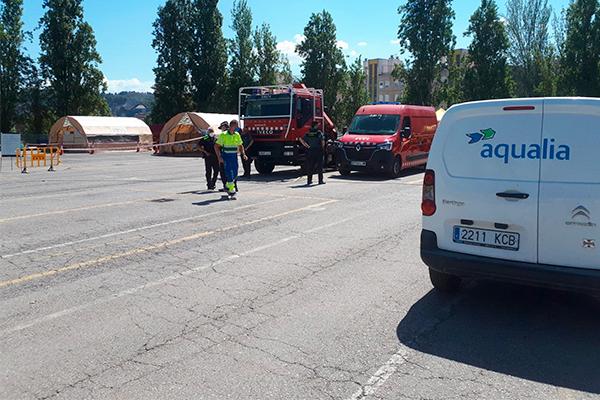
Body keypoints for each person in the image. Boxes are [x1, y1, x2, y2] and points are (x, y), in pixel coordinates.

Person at [215, 120, 248, 197]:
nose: (237, 128)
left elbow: (240, 145)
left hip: (234, 156)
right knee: (229, 172)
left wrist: (243, 154)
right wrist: (219, 157)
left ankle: (227, 185)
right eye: (236, 126)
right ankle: (231, 189)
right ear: (232, 126)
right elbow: (216, 146)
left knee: (235, 172)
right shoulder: (224, 135)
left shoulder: (237, 134)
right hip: (226, 156)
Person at [299, 121, 326, 186]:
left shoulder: (308, 133)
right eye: (317, 125)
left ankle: (309, 181)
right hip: (318, 150)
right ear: (315, 126)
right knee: (319, 166)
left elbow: (301, 139)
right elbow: (322, 141)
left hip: (310, 151)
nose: (318, 126)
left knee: (310, 166)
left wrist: (307, 146)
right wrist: (322, 148)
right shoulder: (318, 133)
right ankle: (320, 180)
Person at [217, 121, 229, 192]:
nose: (221, 129)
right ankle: (228, 186)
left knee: (224, 172)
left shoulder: (224, 135)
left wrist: (219, 157)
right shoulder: (232, 134)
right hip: (228, 155)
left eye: (222, 127)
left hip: (224, 155)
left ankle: (227, 186)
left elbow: (218, 146)